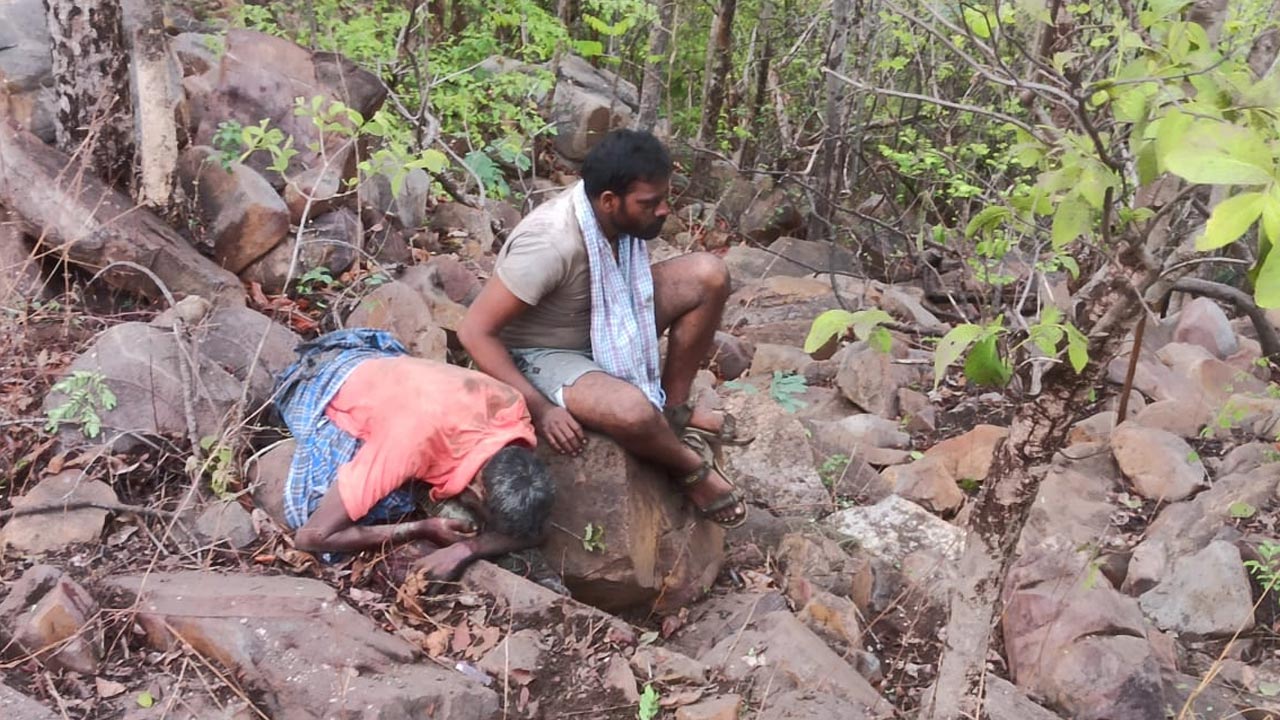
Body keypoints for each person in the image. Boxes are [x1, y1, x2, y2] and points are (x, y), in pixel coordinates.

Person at [459, 129, 749, 528]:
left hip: (608, 315)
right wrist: (541, 409)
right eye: (650, 203)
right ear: (609, 201)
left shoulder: (617, 222)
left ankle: (672, 412)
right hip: (543, 351)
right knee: (632, 410)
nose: (663, 210)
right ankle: (689, 469)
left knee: (709, 274)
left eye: (664, 198)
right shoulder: (549, 244)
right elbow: (474, 332)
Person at [272, 328, 557, 584]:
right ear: (477, 490)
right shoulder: (409, 446)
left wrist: (466, 549)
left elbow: (538, 530)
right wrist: (421, 528)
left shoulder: (512, 410)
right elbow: (312, 536)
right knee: (338, 506)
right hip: (322, 379)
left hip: (391, 372)